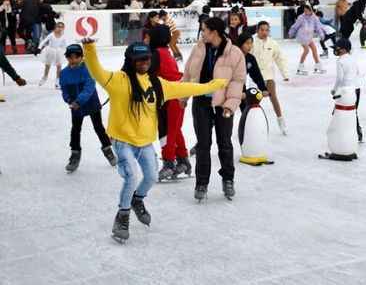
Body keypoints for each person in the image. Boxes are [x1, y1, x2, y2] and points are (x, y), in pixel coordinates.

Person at [82, 37, 226, 242]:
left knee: (150, 177)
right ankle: (122, 216)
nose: (144, 63)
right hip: (122, 142)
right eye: (139, 59)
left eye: (146, 59)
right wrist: (89, 48)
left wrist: (212, 85)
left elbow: (185, 88)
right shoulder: (118, 81)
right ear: (130, 61)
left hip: (145, 143)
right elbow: (96, 70)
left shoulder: (157, 84)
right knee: (131, 177)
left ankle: (137, 200)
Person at [183, 17, 246, 202]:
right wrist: (183, 97)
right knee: (203, 144)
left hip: (223, 104)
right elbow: (188, 73)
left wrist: (230, 106)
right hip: (201, 102)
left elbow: (237, 81)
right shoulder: (199, 48)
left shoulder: (234, 53)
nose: (202, 33)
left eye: (204, 30)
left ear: (214, 32)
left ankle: (228, 179)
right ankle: (201, 183)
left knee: (224, 143)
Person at [59, 43, 116, 173]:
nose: (73, 60)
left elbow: (89, 87)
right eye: (70, 57)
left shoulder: (88, 69)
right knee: (75, 130)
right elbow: (64, 90)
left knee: (99, 127)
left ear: (81, 56)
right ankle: (75, 154)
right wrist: (69, 100)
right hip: (76, 106)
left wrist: (79, 101)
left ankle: (108, 150)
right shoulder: (64, 73)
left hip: (91, 103)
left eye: (76, 57)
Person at [148, 25, 191, 181]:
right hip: (174, 93)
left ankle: (169, 163)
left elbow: (146, 73)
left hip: (173, 95)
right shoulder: (163, 51)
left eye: (150, 37)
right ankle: (183, 160)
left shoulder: (157, 53)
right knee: (174, 129)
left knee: (169, 130)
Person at [252, 21, 290, 135]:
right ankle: (251, 124)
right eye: (262, 30)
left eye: (267, 30)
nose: (264, 32)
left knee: (274, 99)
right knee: (254, 101)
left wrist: (285, 74)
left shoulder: (272, 43)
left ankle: (281, 122)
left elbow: (280, 58)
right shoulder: (252, 41)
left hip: (269, 76)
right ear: (257, 30)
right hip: (255, 77)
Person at [332, 38, 363, 142]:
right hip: (356, 89)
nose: (335, 50)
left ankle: (339, 133)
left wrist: (335, 89)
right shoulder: (352, 59)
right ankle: (358, 133)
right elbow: (358, 72)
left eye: (337, 48)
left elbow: (340, 78)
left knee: (338, 111)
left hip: (346, 90)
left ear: (344, 49)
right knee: (353, 111)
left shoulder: (340, 60)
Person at [288, 3, 326, 75]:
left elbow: (318, 27)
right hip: (302, 36)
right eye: (304, 10)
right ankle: (300, 67)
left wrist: (321, 34)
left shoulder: (314, 18)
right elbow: (295, 26)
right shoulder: (301, 17)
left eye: (306, 10)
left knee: (314, 49)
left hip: (309, 37)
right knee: (306, 50)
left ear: (310, 10)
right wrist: (291, 32)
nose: (305, 12)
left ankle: (317, 65)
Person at [37, 21, 68, 88]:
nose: (60, 28)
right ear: (55, 27)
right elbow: (44, 41)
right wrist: (39, 48)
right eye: (58, 27)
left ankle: (57, 81)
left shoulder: (63, 36)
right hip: (50, 51)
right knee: (47, 66)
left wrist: (66, 51)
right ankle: (45, 77)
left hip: (58, 52)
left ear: (63, 28)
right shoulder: (51, 35)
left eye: (61, 27)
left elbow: (65, 45)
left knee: (59, 66)